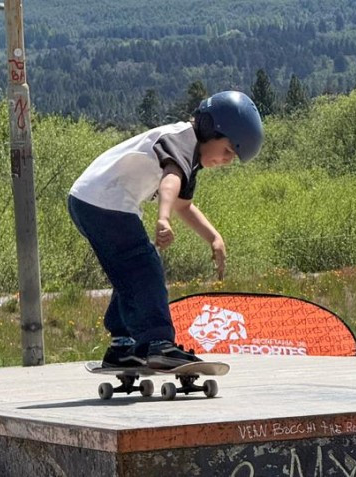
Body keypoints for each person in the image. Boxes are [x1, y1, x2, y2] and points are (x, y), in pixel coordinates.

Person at [68, 90, 263, 369]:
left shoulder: (190, 157)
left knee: (131, 272)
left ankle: (123, 345)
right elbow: (170, 181)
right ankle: (158, 343)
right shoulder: (184, 140)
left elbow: (184, 205)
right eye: (228, 150)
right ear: (209, 130)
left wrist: (214, 237)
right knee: (144, 266)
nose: (226, 160)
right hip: (104, 201)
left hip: (90, 200)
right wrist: (162, 218)